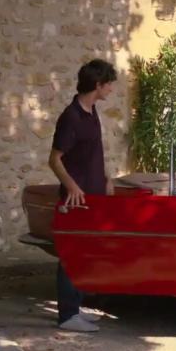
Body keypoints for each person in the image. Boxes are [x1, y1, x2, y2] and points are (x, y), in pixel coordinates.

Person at [48, 58, 117, 332]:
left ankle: (75, 308)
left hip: (93, 196)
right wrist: (72, 186)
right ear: (98, 85)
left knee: (84, 253)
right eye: (109, 84)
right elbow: (54, 160)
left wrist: (106, 177)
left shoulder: (91, 111)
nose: (111, 89)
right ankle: (67, 315)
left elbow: (92, 153)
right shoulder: (71, 117)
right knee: (71, 253)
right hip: (75, 199)